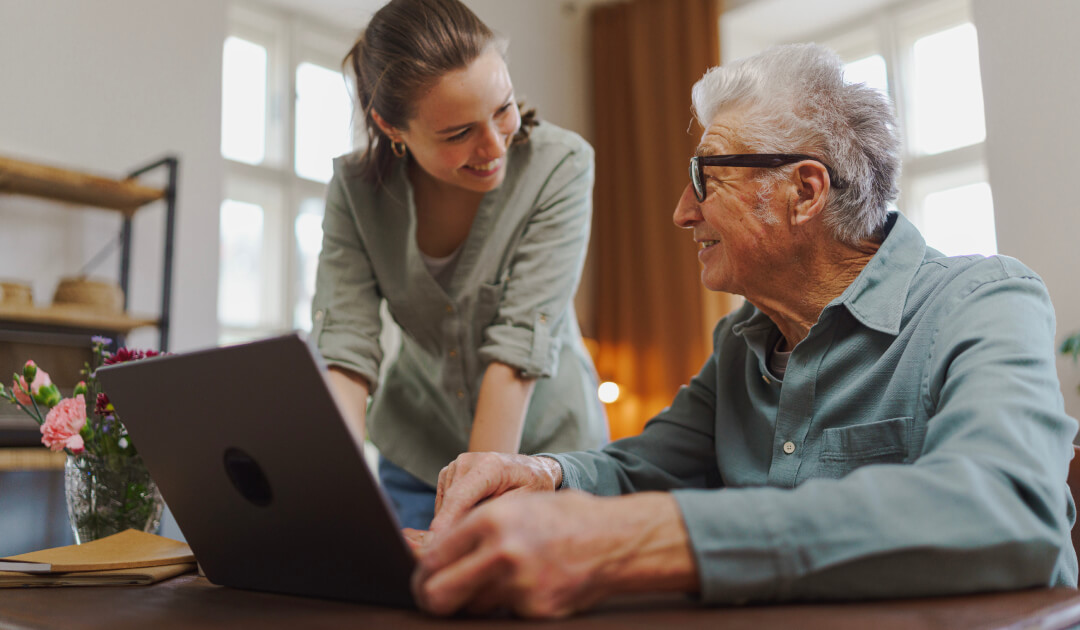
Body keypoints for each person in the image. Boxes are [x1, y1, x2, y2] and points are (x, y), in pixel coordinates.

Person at [408, 43, 1079, 618]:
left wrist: (647, 541)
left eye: (706, 175)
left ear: (805, 192)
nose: (680, 212)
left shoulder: (985, 301)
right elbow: (641, 469)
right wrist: (538, 473)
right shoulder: (741, 342)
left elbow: (1005, 511)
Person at [311, 0, 608, 531]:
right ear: (391, 126)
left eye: (504, 109)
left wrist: (468, 517)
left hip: (549, 462)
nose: (494, 145)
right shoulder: (357, 193)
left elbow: (517, 350)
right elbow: (347, 352)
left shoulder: (559, 166)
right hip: (417, 457)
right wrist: (334, 495)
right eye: (457, 134)